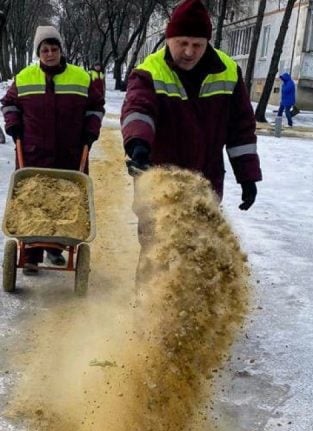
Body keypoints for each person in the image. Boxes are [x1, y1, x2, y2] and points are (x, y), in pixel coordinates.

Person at [121, 0, 261, 206]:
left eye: (197, 45)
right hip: (159, 182)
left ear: (207, 43)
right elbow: (138, 109)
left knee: (204, 238)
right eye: (183, 43)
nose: (189, 52)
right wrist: (138, 144)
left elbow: (241, 128)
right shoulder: (149, 72)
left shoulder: (228, 71)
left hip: (207, 183)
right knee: (160, 237)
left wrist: (247, 176)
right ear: (169, 39)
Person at [1, 25, 104, 274]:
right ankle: (31, 254)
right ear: (39, 52)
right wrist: (13, 126)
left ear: (60, 50)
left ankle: (56, 249)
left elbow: (95, 107)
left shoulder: (81, 77)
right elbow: (9, 103)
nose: (49, 54)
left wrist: (91, 131)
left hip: (70, 151)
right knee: (33, 202)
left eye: (54, 49)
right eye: (45, 50)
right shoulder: (24, 77)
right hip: (33, 151)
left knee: (64, 202)